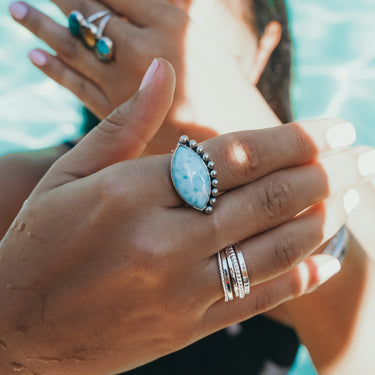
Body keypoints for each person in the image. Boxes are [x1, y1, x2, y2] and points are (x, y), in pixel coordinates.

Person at [3, 0, 375, 373]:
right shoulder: (22, 200)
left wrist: (246, 134)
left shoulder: (348, 189)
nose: (173, 19)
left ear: (263, 46)